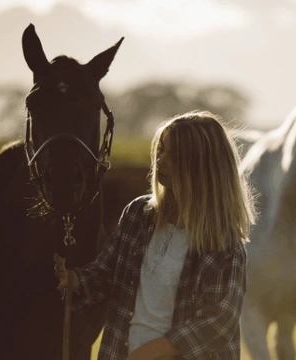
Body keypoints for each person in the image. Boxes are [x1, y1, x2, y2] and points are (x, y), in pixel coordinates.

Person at [54, 110, 256, 360]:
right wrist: (74, 278)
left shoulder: (224, 244)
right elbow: (108, 274)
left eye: (173, 155)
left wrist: (151, 352)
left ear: (201, 164)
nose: (160, 161)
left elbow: (218, 321)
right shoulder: (139, 215)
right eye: (160, 150)